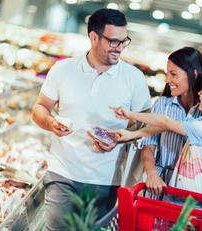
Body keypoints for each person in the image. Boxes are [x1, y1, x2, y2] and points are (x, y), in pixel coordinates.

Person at [32, 8, 152, 230]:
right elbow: (40, 107)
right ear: (93, 37)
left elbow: (143, 122)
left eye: (123, 41)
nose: (119, 48)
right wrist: (50, 123)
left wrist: (119, 138)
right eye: (113, 41)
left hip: (106, 181)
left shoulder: (134, 78)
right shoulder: (63, 69)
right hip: (63, 173)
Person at [111, 47, 202, 210]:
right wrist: (151, 173)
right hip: (158, 189)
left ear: (193, 74)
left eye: (173, 74)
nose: (167, 80)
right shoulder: (163, 104)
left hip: (191, 198)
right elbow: (150, 142)